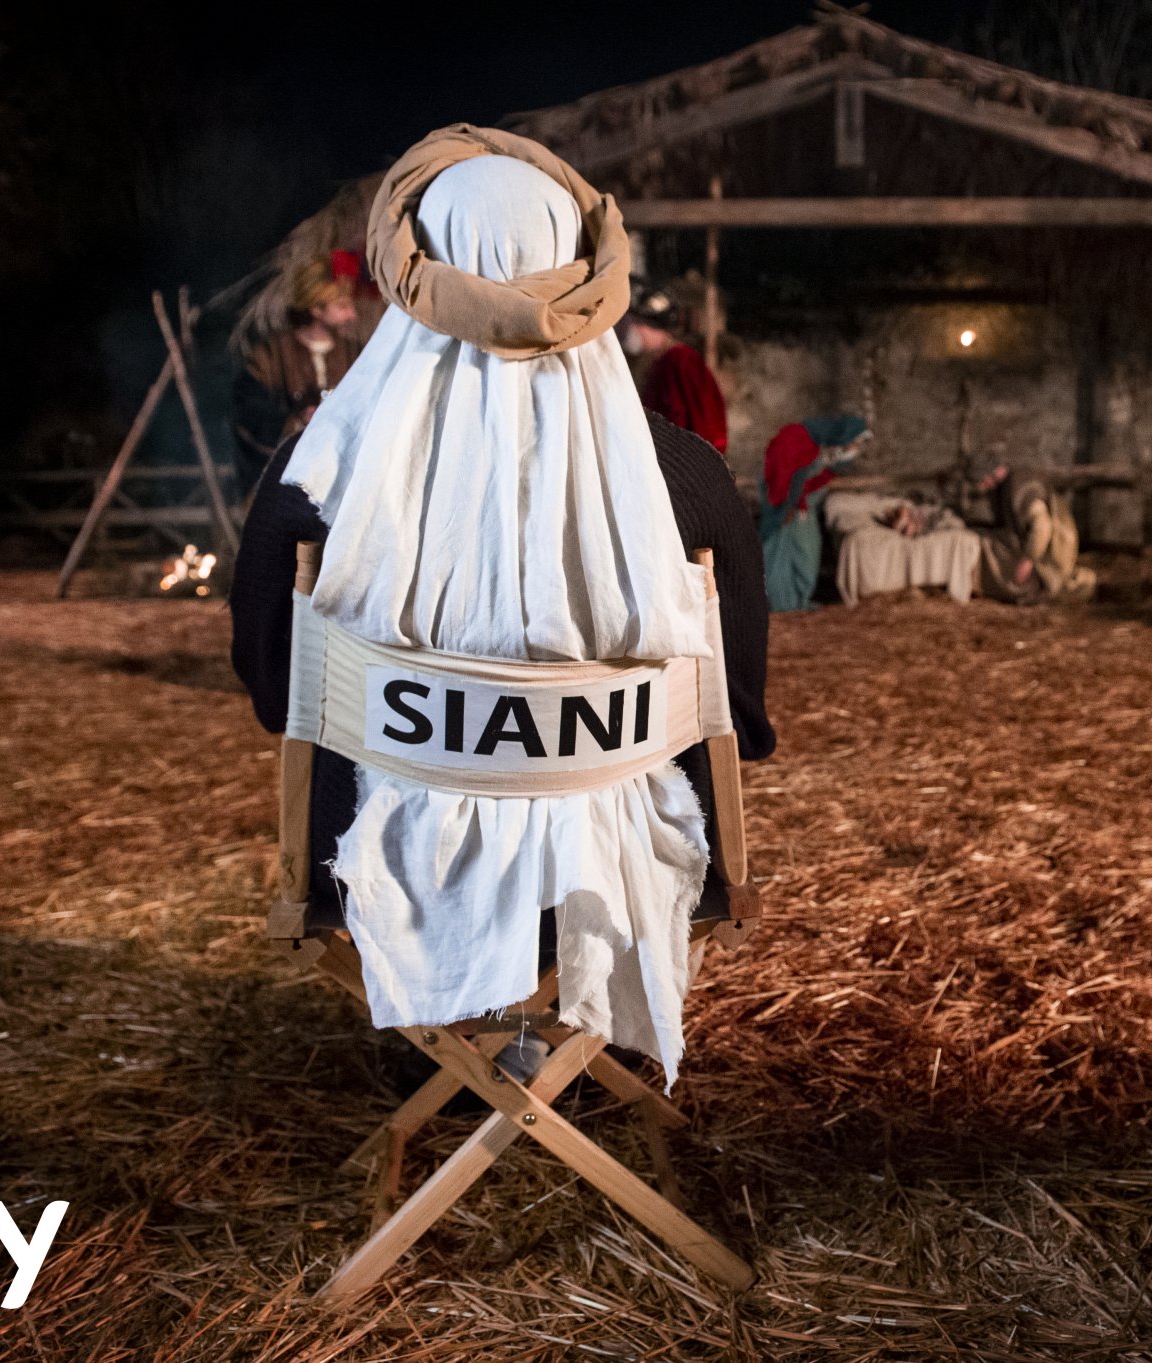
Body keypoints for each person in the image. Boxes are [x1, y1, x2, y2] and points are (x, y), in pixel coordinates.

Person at [229, 127, 772, 1088]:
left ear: (411, 279)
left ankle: (445, 1046)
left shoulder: (309, 481)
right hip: (606, 887)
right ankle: (578, 1059)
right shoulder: (686, 478)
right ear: (579, 275)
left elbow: (278, 696)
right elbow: (743, 707)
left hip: (382, 875)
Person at [230, 250, 367, 491]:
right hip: (286, 480)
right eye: (342, 306)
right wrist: (296, 422)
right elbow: (248, 413)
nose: (352, 314)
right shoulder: (269, 358)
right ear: (316, 309)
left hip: (346, 479)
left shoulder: (358, 354)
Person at [758, 415, 868, 613]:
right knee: (780, 557)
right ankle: (784, 604)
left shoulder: (815, 446)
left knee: (808, 553)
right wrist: (785, 507)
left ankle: (800, 600)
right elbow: (780, 475)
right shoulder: (794, 438)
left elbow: (807, 483)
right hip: (783, 507)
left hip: (800, 507)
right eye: (852, 441)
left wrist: (832, 470)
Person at [618, 288, 727, 455]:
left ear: (652, 326)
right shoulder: (657, 362)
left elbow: (706, 423)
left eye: (637, 323)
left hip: (682, 465)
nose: (633, 331)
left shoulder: (682, 361)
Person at [975, 462, 1091, 604]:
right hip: (1037, 543)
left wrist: (1029, 559)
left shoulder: (1021, 487)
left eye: (983, 480)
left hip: (1052, 546)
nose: (983, 486)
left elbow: (1042, 527)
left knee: (1050, 584)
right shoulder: (1007, 485)